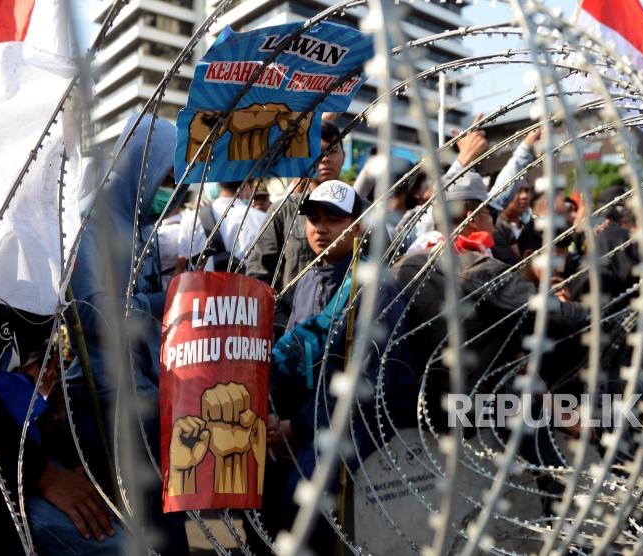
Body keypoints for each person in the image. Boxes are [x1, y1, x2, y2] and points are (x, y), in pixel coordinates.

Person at [255, 180, 415, 554]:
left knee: (304, 495)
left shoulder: (373, 288)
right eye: (313, 219)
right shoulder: (310, 278)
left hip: (363, 418)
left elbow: (366, 380)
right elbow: (292, 358)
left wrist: (298, 427)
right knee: (252, 485)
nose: (320, 228)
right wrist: (278, 419)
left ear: (357, 227)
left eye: (333, 219)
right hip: (312, 415)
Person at [65, 114, 188, 554]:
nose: (169, 191)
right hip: (104, 400)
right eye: (166, 177)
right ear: (142, 165)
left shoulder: (143, 230)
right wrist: (164, 303)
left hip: (148, 392)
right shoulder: (91, 222)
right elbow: (92, 315)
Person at [393, 173, 589, 429]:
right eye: (488, 213)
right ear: (472, 218)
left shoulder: (406, 264)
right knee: (539, 422)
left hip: (411, 405)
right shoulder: (480, 268)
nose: (493, 221)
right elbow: (560, 315)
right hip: (465, 408)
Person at [0, 302, 123, 555]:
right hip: (8, 467)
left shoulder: (33, 291)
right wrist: (46, 474)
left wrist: (63, 461)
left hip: (20, 451)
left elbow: (26, 401)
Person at [246, 121, 345, 328]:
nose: (325, 159)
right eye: (318, 152)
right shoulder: (284, 210)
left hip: (346, 334)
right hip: (291, 332)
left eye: (333, 150)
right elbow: (259, 275)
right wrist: (281, 325)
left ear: (343, 156)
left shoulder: (364, 211)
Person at [174, 180, 266, 273]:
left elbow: (182, 263)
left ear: (218, 184)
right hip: (248, 286)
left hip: (201, 285)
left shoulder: (191, 219)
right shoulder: (261, 218)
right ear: (247, 186)